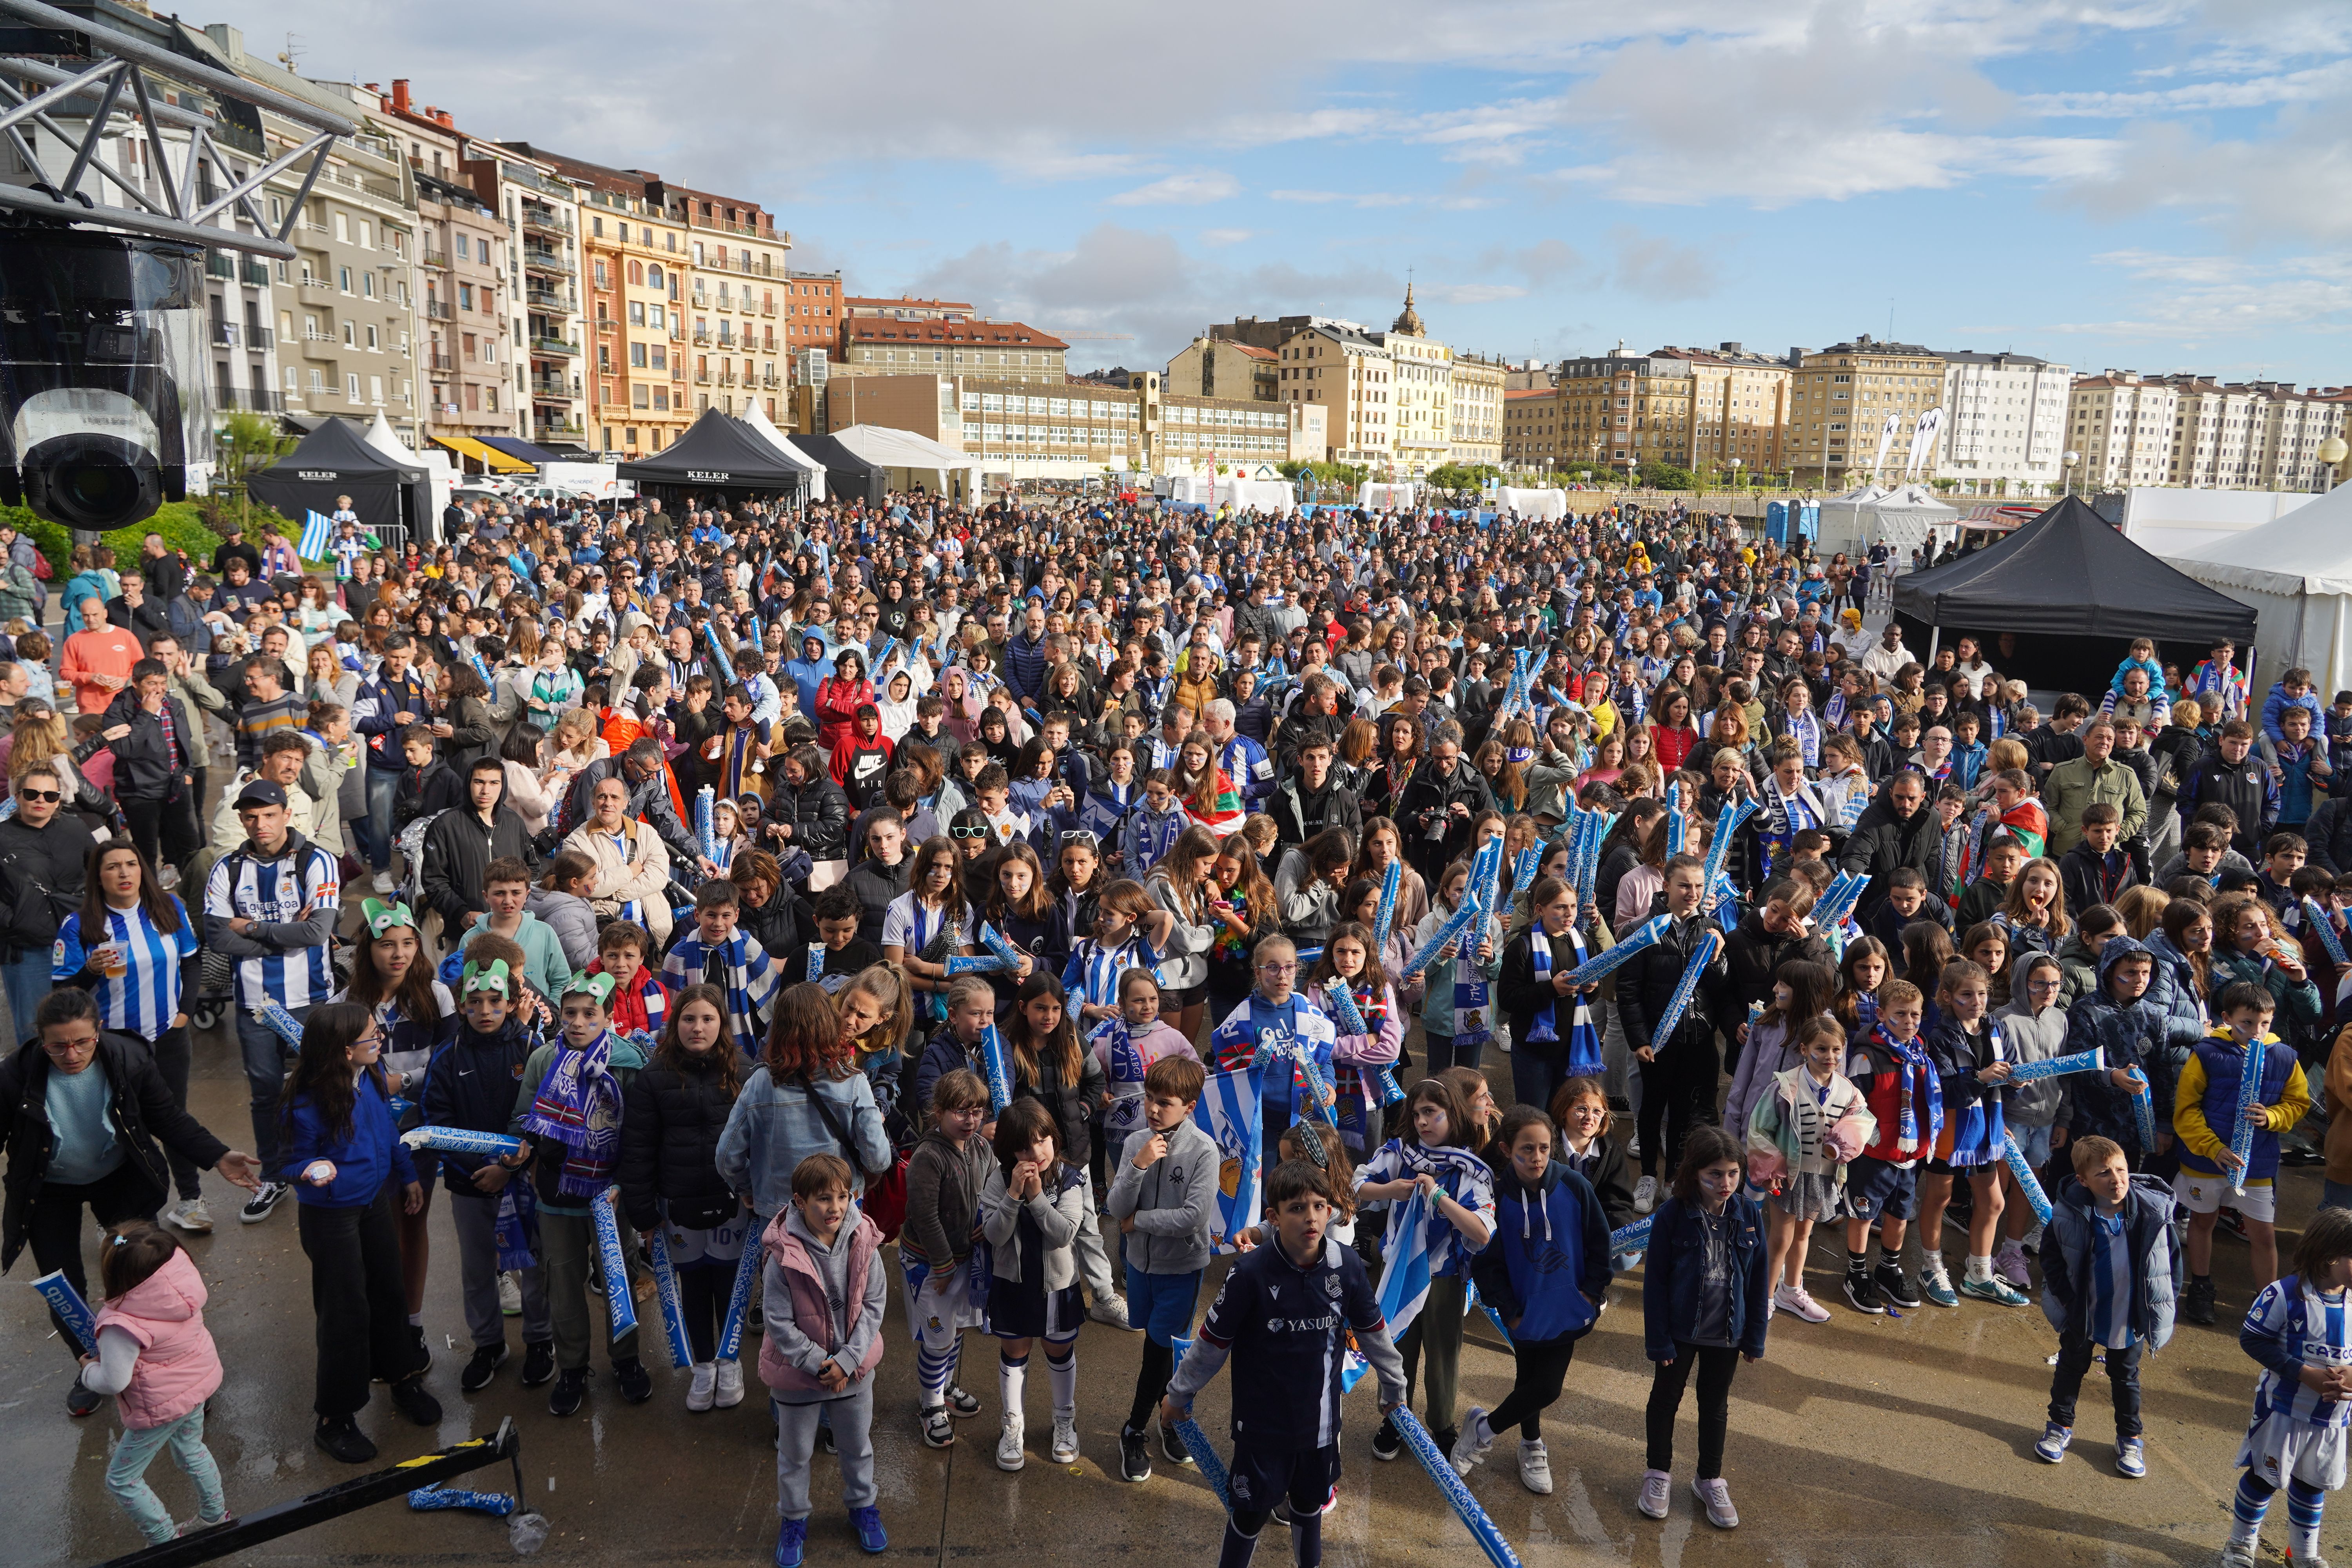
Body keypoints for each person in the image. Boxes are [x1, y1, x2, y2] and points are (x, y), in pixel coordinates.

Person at [0, 987, 260, 1416]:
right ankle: (94, 1366)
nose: (71, 1053)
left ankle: (176, 1373)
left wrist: (217, 1155)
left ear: (99, 1031)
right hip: (48, 1189)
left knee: (147, 1276)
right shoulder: (14, 1075)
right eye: (58, 1045)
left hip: (119, 1178)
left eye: (82, 1041)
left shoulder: (128, 1058)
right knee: (63, 1285)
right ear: (40, 1040)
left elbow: (167, 1117)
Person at [1161, 1158, 1408, 1568]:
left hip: (1321, 1426)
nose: (1310, 1217)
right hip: (1263, 1431)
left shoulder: (1346, 1266)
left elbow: (1374, 1334)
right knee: (1249, 1514)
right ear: (1273, 1217)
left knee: (1309, 1506)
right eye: (1296, 1208)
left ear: (1330, 1210)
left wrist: (1394, 1387)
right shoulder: (1250, 1272)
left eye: (1318, 1205)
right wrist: (1179, 1393)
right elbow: (1211, 1343)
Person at [278, 1000, 441, 1461]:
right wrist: (309, 1169)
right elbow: (285, 1163)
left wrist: (406, 1175)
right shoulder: (304, 1100)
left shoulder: (369, 1076)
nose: (381, 1039)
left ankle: (401, 1379)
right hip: (331, 1216)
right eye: (372, 1035)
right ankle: (335, 1417)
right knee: (344, 1311)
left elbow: (387, 1133)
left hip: (373, 1202)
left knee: (389, 1292)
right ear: (345, 1050)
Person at [510, 972, 655, 1417]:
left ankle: (626, 1359)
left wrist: (625, 1185)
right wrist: (532, 1143)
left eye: (590, 1014)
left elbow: (640, 1134)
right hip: (556, 1194)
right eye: (569, 1013)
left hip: (612, 1195)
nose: (577, 1022)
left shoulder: (627, 1063)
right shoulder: (541, 1060)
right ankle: (572, 1367)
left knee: (619, 1276)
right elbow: (521, 1118)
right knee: (564, 1284)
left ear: (609, 1017)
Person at [1455, 1105, 1613, 1495]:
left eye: (1544, 1148)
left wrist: (1591, 1292)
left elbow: (1599, 1242)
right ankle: (1531, 1444)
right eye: (1527, 1149)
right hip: (1523, 1311)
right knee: (1527, 1378)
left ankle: (1483, 1429)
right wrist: (1508, 1311)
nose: (1537, 1157)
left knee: (1548, 1386)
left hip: (1567, 1307)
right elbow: (1486, 1260)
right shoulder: (1493, 1195)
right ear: (1508, 1149)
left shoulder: (1575, 1185)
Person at [200, 777, 338, 1225]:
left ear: (286, 815)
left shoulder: (318, 860)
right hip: (254, 1005)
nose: (260, 824)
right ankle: (276, 1175)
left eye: (269, 815)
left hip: (311, 999)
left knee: (323, 1085)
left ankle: (328, 1164)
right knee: (264, 1093)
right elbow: (217, 936)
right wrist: (284, 938)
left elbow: (317, 932)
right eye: (251, 816)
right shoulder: (227, 868)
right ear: (242, 819)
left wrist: (252, 929)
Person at [51, 840, 203, 1231]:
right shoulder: (79, 925)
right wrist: (90, 970)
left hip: (168, 1035)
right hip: (115, 1044)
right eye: (113, 866)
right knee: (122, 1126)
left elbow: (191, 962)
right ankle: (128, 1215)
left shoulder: (170, 908)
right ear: (98, 877)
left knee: (174, 1118)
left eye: (131, 864)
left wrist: (185, 1013)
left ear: (143, 870)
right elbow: (62, 995)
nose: (123, 873)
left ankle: (191, 1200)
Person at [421, 951, 553, 1396]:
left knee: (535, 1265)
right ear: (460, 1005)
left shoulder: (533, 1050)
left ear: (512, 1002)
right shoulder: (447, 1057)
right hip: (472, 1185)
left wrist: (516, 1164)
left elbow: (548, 1114)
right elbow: (438, 1124)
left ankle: (540, 1340)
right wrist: (485, 1169)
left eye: (495, 1001)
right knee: (478, 1269)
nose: (484, 1011)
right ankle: (489, 1344)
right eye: (474, 1002)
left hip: (528, 1182)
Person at [1352, 1074, 1495, 1463]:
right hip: (1398, 1270)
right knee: (1395, 1348)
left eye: (1431, 1112)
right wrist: (1390, 1190)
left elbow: (1482, 1233)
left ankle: (1442, 1424)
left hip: (1443, 1278)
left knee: (1443, 1355)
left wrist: (1440, 1197)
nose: (1421, 1121)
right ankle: (1395, 1417)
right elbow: (1356, 1183)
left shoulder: (1469, 1168)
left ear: (1453, 1113)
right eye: (1417, 1113)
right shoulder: (1400, 1152)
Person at [621, 983, 750, 1410]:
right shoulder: (653, 1077)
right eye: (689, 1019)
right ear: (675, 1024)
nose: (698, 1027)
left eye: (708, 1018)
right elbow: (637, 1148)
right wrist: (643, 1214)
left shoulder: (744, 1072)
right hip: (677, 1208)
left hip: (733, 1206)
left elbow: (759, 1140)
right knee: (693, 1287)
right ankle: (703, 1367)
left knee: (730, 1285)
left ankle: (730, 1363)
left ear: (722, 1023)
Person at [759, 1152, 889, 1566]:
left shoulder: (865, 1241)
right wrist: (821, 1363)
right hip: (798, 1377)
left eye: (842, 1197)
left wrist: (848, 1360)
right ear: (800, 1202)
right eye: (822, 1199)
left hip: (854, 1374)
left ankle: (863, 1506)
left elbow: (874, 1305)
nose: (834, 1207)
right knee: (795, 1454)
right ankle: (794, 1519)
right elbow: (778, 1321)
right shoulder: (782, 1253)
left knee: (857, 1447)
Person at [1638, 1125, 1768, 1530]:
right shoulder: (1672, 1215)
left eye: (1733, 1173)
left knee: (1715, 1407)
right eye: (1715, 1173)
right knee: (1665, 1401)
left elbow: (1759, 1277)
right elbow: (1655, 1281)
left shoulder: (1748, 1213)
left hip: (1727, 1334)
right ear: (1694, 1172)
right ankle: (1658, 1473)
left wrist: (1755, 1335)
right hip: (1679, 1333)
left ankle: (1709, 1478)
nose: (1726, 1182)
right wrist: (1659, 1340)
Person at [2031, 1133, 2178, 1480]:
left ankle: (2130, 1438)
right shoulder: (2069, 1215)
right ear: (2083, 1180)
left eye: (2121, 1169)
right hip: (2083, 1312)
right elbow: (2051, 1257)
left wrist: (2160, 1307)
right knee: (2070, 1368)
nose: (2116, 1180)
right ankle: (2059, 1426)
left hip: (2129, 1315)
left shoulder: (2151, 1213)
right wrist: (2068, 1299)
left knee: (2125, 1378)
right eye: (2104, 1174)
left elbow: (2169, 1264)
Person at [77, 1220, 231, 1545]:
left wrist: (89, 1371)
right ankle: (215, 1516)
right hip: (194, 1389)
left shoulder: (121, 1324)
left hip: (159, 1405)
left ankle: (163, 1540)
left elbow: (114, 1379)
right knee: (191, 1449)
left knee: (123, 1479)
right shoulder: (184, 1292)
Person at [2218, 1206, 2352, 1568]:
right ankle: (2240, 1545)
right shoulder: (2284, 1295)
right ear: (2329, 1257)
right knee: (2264, 1478)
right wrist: (2301, 1372)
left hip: (2332, 1422)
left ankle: (2303, 1554)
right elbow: (2252, 1340)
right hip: (2283, 1412)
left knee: (2312, 1485)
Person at [1104, 1052, 1215, 1483]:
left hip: (1182, 1270)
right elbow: (1115, 1207)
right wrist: (1138, 1166)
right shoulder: (1136, 1144)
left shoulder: (1204, 1149)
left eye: (1164, 1102)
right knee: (1160, 1347)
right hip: (1139, 1268)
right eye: (1150, 1098)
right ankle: (1172, 1420)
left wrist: (1139, 1222)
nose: (1152, 1109)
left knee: (1158, 1350)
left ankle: (1134, 1429)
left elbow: (1192, 1216)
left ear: (1189, 1106)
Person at [2174, 982, 2310, 1326]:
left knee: (2262, 1234)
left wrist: (2274, 1117)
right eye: (2247, 1023)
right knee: (2202, 1222)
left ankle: (2267, 1302)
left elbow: (2298, 1103)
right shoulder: (2207, 1053)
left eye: (2264, 1024)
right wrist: (2212, 1147)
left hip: (2257, 1163)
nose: (2256, 1031)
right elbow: (2187, 1109)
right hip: (2206, 1162)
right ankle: (2201, 1288)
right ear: (2227, 1018)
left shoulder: (2283, 1057)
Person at [978, 1095, 1090, 1472]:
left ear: (1054, 1138)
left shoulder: (1070, 1177)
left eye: (1043, 1140)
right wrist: (1013, 1196)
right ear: (1011, 1150)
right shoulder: (998, 1180)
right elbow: (994, 1236)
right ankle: (1012, 1426)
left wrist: (1037, 1197)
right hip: (1011, 1284)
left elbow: (1064, 1234)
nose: (1037, 1151)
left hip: (1057, 1285)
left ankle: (1064, 1419)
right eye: (1025, 1146)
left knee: (1059, 1350)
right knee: (1014, 1351)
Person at [1744, 1016, 1874, 1325]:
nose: (1830, 1057)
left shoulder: (1849, 1091)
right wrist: (1770, 1168)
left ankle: (1792, 1289)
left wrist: (1843, 1143)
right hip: (1787, 1174)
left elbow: (1863, 1123)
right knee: (1780, 1237)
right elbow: (1760, 1129)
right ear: (1804, 1049)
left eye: (1837, 1050)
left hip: (1823, 1175)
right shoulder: (1785, 1086)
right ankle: (1764, 1296)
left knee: (1804, 1233)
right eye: (1822, 1049)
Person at [899, 1067, 991, 1448]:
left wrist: (986, 1223)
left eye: (977, 1111)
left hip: (965, 1259)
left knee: (953, 1331)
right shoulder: (928, 1156)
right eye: (960, 1112)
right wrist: (942, 1264)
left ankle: (946, 1385)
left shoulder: (982, 1147)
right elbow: (924, 1214)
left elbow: (993, 1190)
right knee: (937, 1338)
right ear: (938, 1112)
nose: (970, 1120)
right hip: (929, 1264)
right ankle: (931, 1405)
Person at [664, 881, 783, 1063]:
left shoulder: (747, 948)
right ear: (697, 914)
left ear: (736, 915)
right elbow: (670, 1009)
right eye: (711, 915)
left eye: (725, 915)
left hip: (742, 1038)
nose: (718, 924)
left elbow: (770, 1000)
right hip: (696, 1037)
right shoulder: (679, 956)